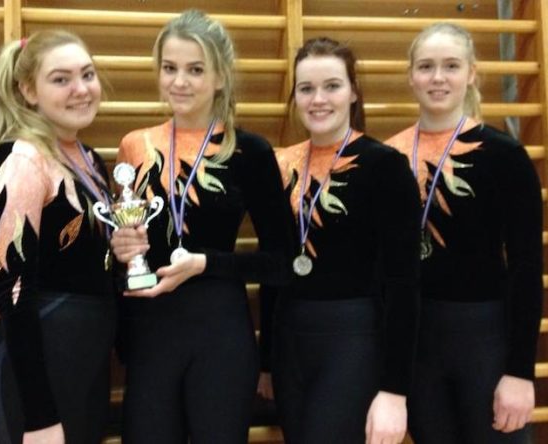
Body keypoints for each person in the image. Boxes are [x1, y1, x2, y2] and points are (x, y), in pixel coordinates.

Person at [109, 9, 294, 444]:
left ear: (220, 77)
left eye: (195, 70)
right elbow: (120, 254)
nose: (180, 82)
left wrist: (206, 264)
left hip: (220, 332)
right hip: (151, 332)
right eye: (169, 68)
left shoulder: (249, 151)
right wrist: (119, 249)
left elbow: (282, 262)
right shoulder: (135, 146)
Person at [385, 23, 543, 443]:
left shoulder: (505, 156)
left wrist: (520, 372)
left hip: (485, 338)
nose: (437, 77)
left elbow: (527, 268)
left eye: (451, 66)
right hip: (417, 342)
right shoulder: (388, 157)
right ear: (411, 75)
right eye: (426, 66)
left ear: (472, 73)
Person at [261, 37, 421, 444]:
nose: (318, 99)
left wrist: (395, 389)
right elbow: (272, 268)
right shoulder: (280, 164)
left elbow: (404, 283)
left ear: (353, 92)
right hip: (289, 341)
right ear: (294, 96)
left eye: (331, 86)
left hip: (352, 339)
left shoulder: (385, 165)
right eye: (306, 88)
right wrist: (266, 363)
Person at [0, 30, 116, 444]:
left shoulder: (89, 158)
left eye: (87, 74)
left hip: (84, 363)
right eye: (61, 79)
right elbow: (12, 294)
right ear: (28, 90)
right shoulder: (22, 160)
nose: (81, 89)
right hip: (35, 380)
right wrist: (39, 416)